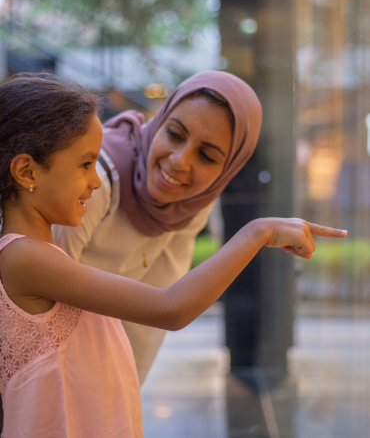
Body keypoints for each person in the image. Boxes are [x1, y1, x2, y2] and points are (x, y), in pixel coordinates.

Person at [0, 73, 346, 437]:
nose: (96, 179)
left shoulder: (36, 255)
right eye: (86, 164)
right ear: (26, 171)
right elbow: (170, 308)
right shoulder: (27, 259)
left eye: (208, 155)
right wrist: (256, 233)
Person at [52, 70, 263, 385]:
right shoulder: (95, 185)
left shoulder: (192, 205)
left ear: (228, 168)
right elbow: (38, 307)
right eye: (175, 134)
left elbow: (146, 328)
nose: (180, 161)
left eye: (206, 156)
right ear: (159, 120)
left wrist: (121, 404)